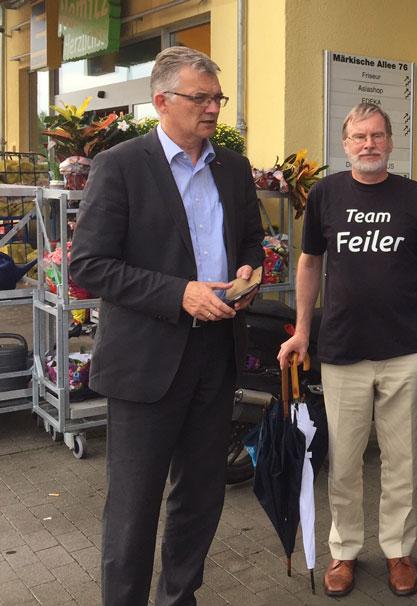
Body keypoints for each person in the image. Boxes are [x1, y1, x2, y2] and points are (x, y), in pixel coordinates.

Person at [70, 46, 264, 605]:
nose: (213, 109)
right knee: (134, 505)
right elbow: (89, 265)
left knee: (201, 495)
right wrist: (179, 294)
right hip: (146, 362)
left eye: (217, 98)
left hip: (216, 354)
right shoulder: (122, 166)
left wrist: (248, 271)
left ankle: (179, 598)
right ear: (161, 101)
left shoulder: (232, 167)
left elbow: (251, 239)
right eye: (200, 98)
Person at [277, 103, 417, 598]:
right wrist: (302, 330)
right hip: (343, 350)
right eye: (359, 137)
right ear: (345, 144)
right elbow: (309, 264)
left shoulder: (414, 196)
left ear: (390, 141)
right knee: (345, 462)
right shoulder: (325, 194)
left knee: (401, 460)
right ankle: (344, 551)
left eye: (376, 135)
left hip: (405, 350)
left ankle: (398, 550)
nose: (368, 144)